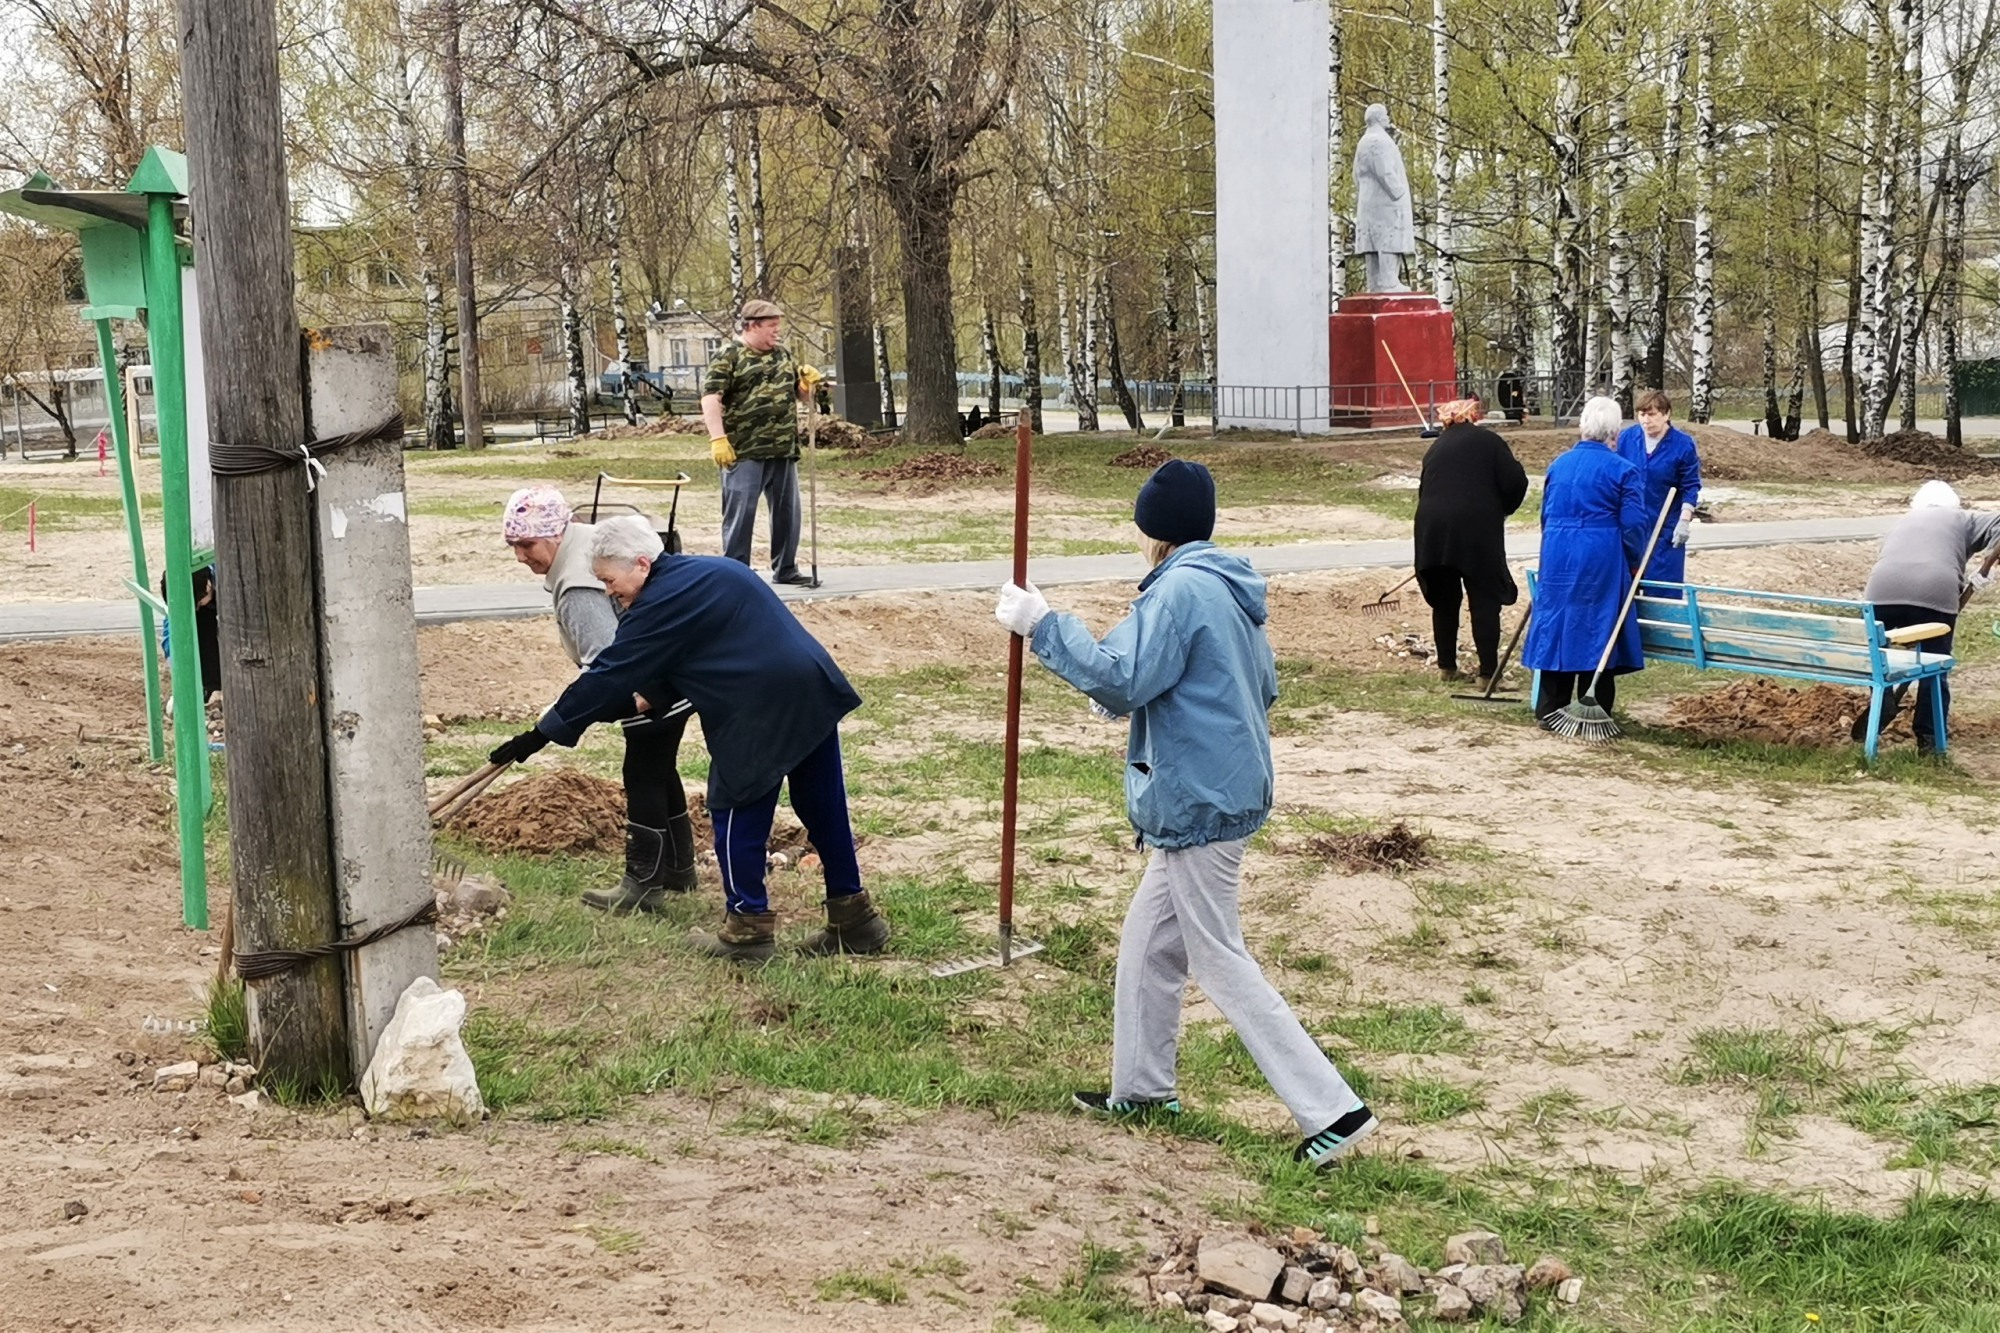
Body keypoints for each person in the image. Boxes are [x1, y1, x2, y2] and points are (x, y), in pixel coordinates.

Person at [993, 461, 1378, 1169]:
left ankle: (1334, 1109)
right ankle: (1141, 1090)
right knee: (1147, 945)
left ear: (1154, 530)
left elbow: (1125, 673)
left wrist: (1042, 626)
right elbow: (1252, 683)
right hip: (1224, 786)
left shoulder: (1177, 593)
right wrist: (1128, 691)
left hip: (1202, 798)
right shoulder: (1226, 586)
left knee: (1217, 956)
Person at [489, 516, 888, 962]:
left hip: (760, 706)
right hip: (811, 691)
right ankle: (856, 921)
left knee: (735, 810)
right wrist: (622, 707)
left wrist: (543, 733)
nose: (607, 591)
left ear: (641, 563)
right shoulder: (707, 573)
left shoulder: (660, 601)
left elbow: (610, 672)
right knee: (823, 807)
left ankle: (747, 932)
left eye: (609, 580)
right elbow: (687, 660)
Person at [501, 486, 698, 913]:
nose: (520, 555)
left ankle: (643, 886)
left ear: (556, 534)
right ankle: (679, 870)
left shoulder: (577, 585)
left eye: (527, 543)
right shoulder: (591, 541)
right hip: (676, 674)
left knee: (643, 772)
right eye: (513, 544)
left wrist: (556, 723)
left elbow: (609, 667)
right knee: (661, 770)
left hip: (651, 687)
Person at [1523, 395, 1651, 725]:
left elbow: (1545, 514)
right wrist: (1634, 561)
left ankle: (1550, 706)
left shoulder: (1559, 465)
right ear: (1615, 432)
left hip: (1558, 551)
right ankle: (1594, 706)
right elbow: (1634, 525)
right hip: (1601, 552)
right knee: (1599, 624)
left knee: (1558, 622)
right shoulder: (1624, 470)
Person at [1856, 481, 2000, 754]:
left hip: (1881, 590)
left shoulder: (1903, 522)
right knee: (1935, 669)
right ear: (1954, 505)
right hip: (1936, 591)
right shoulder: (1963, 518)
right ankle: (1930, 738)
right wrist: (1989, 562)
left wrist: (1986, 566)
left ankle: (1883, 696)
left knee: (1880, 660)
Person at [701, 299, 823, 585]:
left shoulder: (783, 355)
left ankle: (786, 568)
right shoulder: (728, 356)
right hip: (744, 450)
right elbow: (710, 398)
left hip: (782, 448)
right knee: (740, 514)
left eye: (778, 326)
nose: (777, 331)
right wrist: (718, 438)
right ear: (752, 326)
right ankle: (736, 574)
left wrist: (807, 385)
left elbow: (801, 396)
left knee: (787, 514)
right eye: (771, 326)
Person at [1413, 397, 1529, 688]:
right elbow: (1516, 482)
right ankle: (1488, 673)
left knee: (1444, 599)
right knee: (1484, 598)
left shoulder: (1435, 448)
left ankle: (1447, 668)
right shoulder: (1489, 442)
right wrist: (1503, 508)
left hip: (1432, 530)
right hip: (1477, 531)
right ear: (1472, 416)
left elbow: (1425, 489)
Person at [1613, 389, 1702, 590]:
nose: (1646, 420)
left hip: (1665, 527)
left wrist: (1684, 521)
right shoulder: (1627, 439)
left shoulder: (1683, 444)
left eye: (1652, 414)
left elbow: (1690, 486)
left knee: (1663, 587)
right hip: (1632, 525)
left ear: (1666, 415)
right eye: (1642, 414)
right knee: (1627, 586)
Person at [1352, 103, 1414, 294]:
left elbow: (1355, 174)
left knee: (1372, 242)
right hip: (1385, 202)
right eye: (1386, 114)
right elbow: (1385, 171)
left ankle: (1374, 283)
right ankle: (1388, 282)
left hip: (1368, 200)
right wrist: (1399, 192)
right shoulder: (1379, 141)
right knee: (1387, 239)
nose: (1388, 117)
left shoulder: (1364, 141)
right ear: (1379, 118)